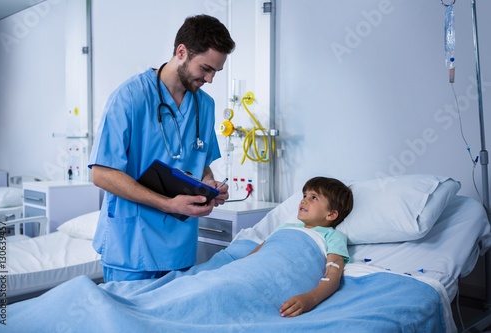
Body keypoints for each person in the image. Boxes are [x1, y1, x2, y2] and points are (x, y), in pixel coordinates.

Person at [88, 14, 236, 283]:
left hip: (180, 251)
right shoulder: (129, 97)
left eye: (216, 71)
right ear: (181, 52)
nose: (210, 79)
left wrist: (209, 185)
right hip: (132, 248)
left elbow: (200, 161)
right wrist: (168, 204)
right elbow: (101, 173)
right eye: (205, 68)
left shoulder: (205, 105)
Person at [250, 176, 353, 318]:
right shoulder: (285, 227)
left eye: (314, 198)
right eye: (305, 195)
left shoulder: (332, 236)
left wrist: (310, 298)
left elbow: (333, 275)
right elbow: (258, 252)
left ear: (331, 214)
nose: (303, 200)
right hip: (253, 270)